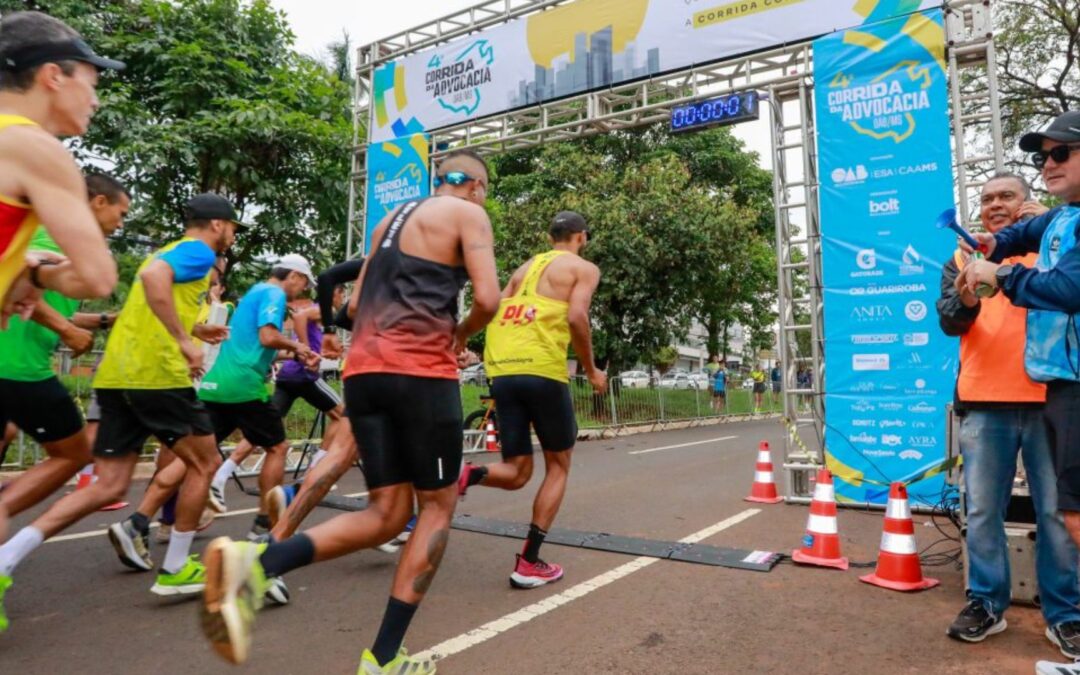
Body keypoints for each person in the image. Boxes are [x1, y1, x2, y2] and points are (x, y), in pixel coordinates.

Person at [198, 148, 501, 673]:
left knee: (386, 514)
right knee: (434, 507)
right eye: (484, 189)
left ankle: (255, 564)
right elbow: (490, 300)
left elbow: (354, 306)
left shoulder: (389, 221)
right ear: (475, 185)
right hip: (419, 374)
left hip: (364, 373)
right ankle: (383, 659)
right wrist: (459, 334)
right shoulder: (469, 213)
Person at [14, 194, 234, 603]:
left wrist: (194, 331)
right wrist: (184, 341)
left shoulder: (169, 249)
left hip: (118, 374)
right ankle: (175, 569)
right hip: (157, 376)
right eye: (233, 228)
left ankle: (8, 557)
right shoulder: (200, 252)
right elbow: (154, 281)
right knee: (206, 462)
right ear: (218, 224)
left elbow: (149, 295)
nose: (232, 236)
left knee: (109, 485)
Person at [955, 111, 1080, 675]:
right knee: (982, 510)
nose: (996, 205)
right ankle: (986, 602)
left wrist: (1005, 269)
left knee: (1061, 515)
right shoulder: (976, 250)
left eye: (1007, 195)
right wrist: (972, 283)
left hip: (1054, 398)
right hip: (986, 403)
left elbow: (1066, 289)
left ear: (1027, 200)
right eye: (987, 200)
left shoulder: (1056, 233)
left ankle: (1066, 613)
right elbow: (949, 320)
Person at [0, 173, 128, 631]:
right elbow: (14, 275)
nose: (119, 222)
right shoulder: (49, 231)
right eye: (120, 211)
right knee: (74, 453)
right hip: (15, 368)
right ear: (96, 202)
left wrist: (104, 320)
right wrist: (66, 330)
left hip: (16, 366)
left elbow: (52, 301)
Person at [458, 210, 605, 588]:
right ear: (582, 237)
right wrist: (590, 370)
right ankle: (529, 561)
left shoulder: (523, 269)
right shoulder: (583, 268)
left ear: (549, 234)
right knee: (558, 466)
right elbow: (577, 317)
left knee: (518, 472)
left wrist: (458, 340)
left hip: (504, 371)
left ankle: (466, 474)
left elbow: (489, 308)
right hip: (542, 370)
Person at [0, 11, 119, 323]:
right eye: (91, 85)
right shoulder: (34, 148)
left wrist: (21, 262)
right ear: (53, 76)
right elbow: (97, 278)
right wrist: (39, 276)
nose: (96, 102)